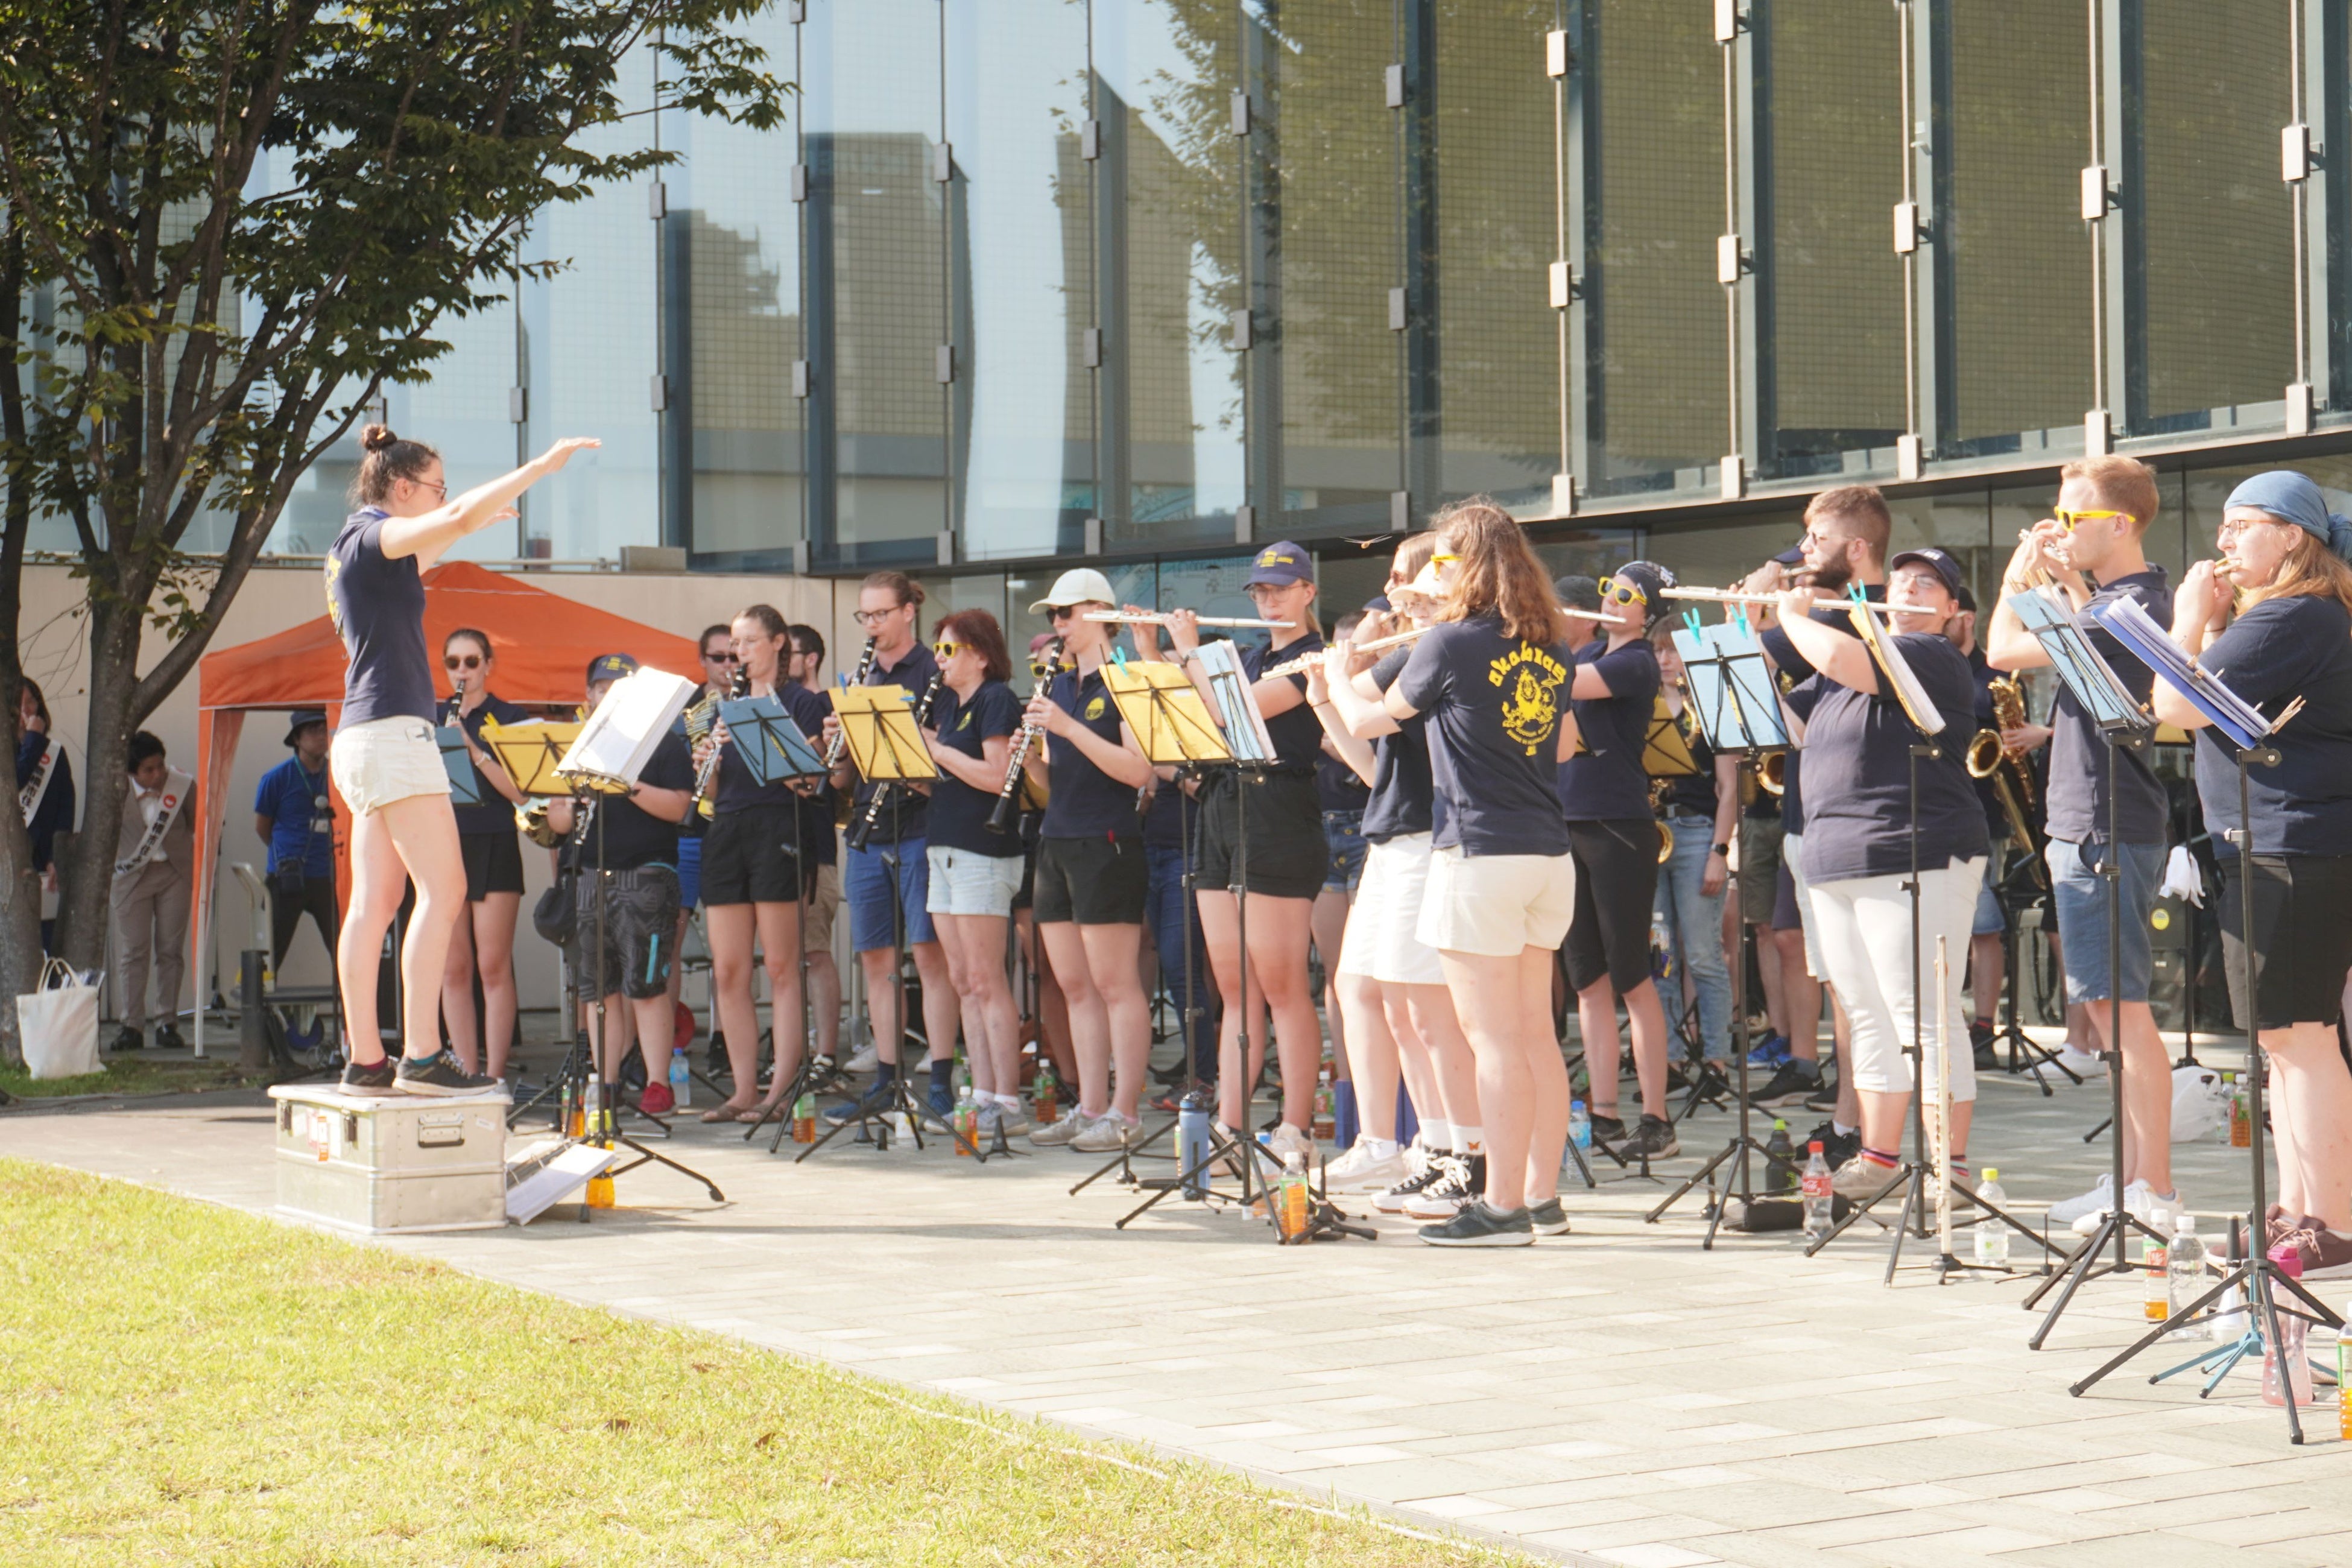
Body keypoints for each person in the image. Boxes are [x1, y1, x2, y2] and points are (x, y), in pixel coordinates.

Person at [325, 423, 595, 1094]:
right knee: (443, 892)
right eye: (436, 485)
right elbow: (454, 517)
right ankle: (420, 1054)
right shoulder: (372, 534)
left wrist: (463, 523)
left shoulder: (352, 549)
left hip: (362, 738)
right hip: (392, 734)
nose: (442, 496)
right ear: (402, 486)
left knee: (375, 903)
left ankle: (366, 1058)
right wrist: (540, 466)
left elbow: (439, 539)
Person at [2154, 470, 2352, 1274]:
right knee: (2288, 1040)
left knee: (2299, 1039)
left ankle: (2329, 1223)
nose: (2225, 541)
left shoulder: (2294, 613)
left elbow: (2175, 707)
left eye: (2243, 525)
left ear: (2294, 536)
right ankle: (2303, 1210)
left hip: (2293, 846)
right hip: (2282, 843)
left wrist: (2184, 619)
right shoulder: (2305, 615)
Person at [1987, 455, 2183, 1234]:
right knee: (2107, 1011)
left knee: (2123, 1013)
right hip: (2089, 819)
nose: (2058, 531)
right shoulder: (2100, 600)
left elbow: (2002, 648)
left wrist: (2019, 571)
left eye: (2073, 519)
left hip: (2106, 824)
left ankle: (2157, 1191)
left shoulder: (2129, 603)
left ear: (2120, 524)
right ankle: (2133, 1180)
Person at [1379, 501, 1579, 1245]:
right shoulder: (1552, 644)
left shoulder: (1450, 643)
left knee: (1492, 1038)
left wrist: (1338, 672)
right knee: (1533, 1036)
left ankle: (1500, 1207)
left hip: (1479, 854)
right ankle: (1542, 1196)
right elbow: (1559, 745)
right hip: (1545, 853)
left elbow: (1374, 719)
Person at [1770, 545, 1988, 1201]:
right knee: (1866, 1013)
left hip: (1914, 848)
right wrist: (1750, 646)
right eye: (1900, 581)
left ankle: (1949, 1169)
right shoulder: (1842, 667)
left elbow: (1837, 654)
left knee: (1925, 1014)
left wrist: (1786, 610)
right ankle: (1880, 1156)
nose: (1910, 589)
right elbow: (1786, 724)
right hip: (1833, 855)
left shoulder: (1930, 655)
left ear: (1952, 611)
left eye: (1928, 584)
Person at [1139, 543, 1329, 1164]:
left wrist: (1190, 648)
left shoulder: (1311, 658)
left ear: (1307, 591)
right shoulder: (1250, 655)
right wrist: (1149, 652)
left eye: (1280, 589)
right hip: (1222, 806)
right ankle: (1227, 1122)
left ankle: (1295, 1126)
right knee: (1233, 988)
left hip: (1279, 813)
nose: (1268, 600)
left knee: (1282, 985)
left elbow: (1234, 711)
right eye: (1260, 592)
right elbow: (1192, 721)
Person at [1317, 538, 1490, 1218]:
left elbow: (1359, 690)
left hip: (1430, 839)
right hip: (1391, 835)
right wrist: (1323, 698)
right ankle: (1433, 1146)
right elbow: (1370, 765)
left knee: (1429, 1008)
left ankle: (1465, 1155)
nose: (1390, 594)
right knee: (1396, 1004)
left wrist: (1345, 665)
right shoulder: (1410, 650)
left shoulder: (1433, 648)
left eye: (1402, 581)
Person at [1745, 495, 1895, 1155]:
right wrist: (1747, 631)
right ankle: (1847, 1121)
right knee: (1845, 988)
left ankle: (1867, 1131)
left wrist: (1767, 616)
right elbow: (1786, 716)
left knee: (1868, 994)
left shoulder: (1869, 616)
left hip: (1869, 824)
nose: (1805, 548)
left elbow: (1801, 663)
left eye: (1818, 536)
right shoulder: (1825, 612)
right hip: (1819, 816)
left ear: (1857, 547)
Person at [1019, 571, 1155, 1152]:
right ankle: (1091, 1104)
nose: (1059, 625)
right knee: (1074, 985)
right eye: (1054, 616)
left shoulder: (1125, 680)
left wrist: (1068, 727)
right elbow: (1059, 782)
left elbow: (1138, 771)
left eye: (1068, 613)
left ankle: (1125, 1112)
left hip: (1107, 841)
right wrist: (1028, 760)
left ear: (1100, 613)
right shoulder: (1063, 685)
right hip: (1058, 839)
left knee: (1115, 983)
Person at [823, 573, 959, 1123]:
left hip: (923, 824)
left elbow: (947, 756)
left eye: (881, 615)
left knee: (929, 956)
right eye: (865, 617)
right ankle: (885, 1077)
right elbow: (839, 780)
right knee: (876, 959)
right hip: (867, 829)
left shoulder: (935, 672)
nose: (872, 627)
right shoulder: (860, 678)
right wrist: (838, 741)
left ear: (908, 612)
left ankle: (943, 1079)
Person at [1559, 560, 1678, 1159]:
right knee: (1588, 977)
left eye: (1624, 594)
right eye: (1608, 588)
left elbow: (1574, 688)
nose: (1610, 599)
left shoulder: (1633, 661)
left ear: (1646, 610)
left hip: (1618, 824)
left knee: (1632, 975)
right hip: (1568, 821)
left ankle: (1655, 1117)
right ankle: (1603, 1110)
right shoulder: (1585, 655)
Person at [697, 607, 829, 1123]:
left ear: (778, 645)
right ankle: (743, 1090)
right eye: (736, 643)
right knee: (728, 971)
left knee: (780, 967)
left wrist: (779, 747)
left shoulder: (801, 702)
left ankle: (781, 1090)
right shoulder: (719, 706)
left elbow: (809, 784)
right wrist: (707, 756)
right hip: (727, 829)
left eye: (750, 642)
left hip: (780, 827)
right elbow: (708, 790)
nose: (740, 653)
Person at [545, 654, 695, 1101]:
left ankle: (657, 1083)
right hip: (591, 874)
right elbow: (556, 823)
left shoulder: (664, 744)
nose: (607, 694)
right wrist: (568, 808)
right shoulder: (575, 746)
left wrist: (626, 780)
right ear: (588, 694)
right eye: (600, 686)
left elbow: (678, 808)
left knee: (646, 986)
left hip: (647, 875)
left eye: (618, 687)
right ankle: (605, 1082)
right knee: (597, 988)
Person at [917, 609, 1029, 1142]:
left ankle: (1006, 1097)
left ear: (980, 655)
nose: (939, 660)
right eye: (937, 650)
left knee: (987, 978)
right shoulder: (947, 703)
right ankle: (980, 1090)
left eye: (949, 650)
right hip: (944, 848)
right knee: (962, 979)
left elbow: (997, 775)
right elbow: (948, 782)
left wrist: (935, 748)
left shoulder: (995, 699)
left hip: (983, 851)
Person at [436, 628, 530, 1081]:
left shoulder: (509, 718)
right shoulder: (430, 718)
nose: (462, 672)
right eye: (453, 663)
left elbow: (519, 792)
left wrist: (471, 749)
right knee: (453, 967)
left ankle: (493, 1075)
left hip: (494, 837)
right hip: (446, 842)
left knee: (493, 965)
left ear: (488, 665)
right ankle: (464, 1069)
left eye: (471, 662)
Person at [1652, 634, 1740, 1080]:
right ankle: (1667, 1058)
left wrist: (1719, 852)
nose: (1665, 659)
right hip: (1652, 833)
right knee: (1660, 956)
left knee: (1704, 954)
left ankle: (1716, 1059)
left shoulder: (1712, 704)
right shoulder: (1641, 704)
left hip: (1696, 833)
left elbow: (1729, 790)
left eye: (1673, 650)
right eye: (1658, 650)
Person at [665, 623, 735, 1052]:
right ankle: (669, 1040)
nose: (727, 666)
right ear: (703, 660)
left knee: (728, 946)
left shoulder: (753, 702)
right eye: (718, 658)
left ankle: (725, 1039)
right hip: (690, 832)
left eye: (733, 657)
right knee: (673, 935)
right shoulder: (685, 707)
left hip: (733, 829)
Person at [1312, 609, 1372, 1101]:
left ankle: (1394, 1101)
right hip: (1323, 827)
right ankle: (1349, 1087)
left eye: (1355, 647)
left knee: (1372, 973)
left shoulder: (1382, 687)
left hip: (1370, 830)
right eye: (1340, 646)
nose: (1346, 656)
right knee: (1337, 974)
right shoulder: (1326, 688)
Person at [109, 730, 194, 1052]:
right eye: (149, 769)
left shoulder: (181, 786)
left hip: (174, 873)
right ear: (132, 771)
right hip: (131, 877)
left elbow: (196, 823)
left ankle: (167, 1022)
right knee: (134, 952)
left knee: (170, 950)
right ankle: (131, 1025)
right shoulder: (116, 790)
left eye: (161, 765)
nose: (158, 774)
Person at [785, 623, 846, 1073]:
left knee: (815, 949)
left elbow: (836, 780)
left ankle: (826, 1050)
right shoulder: (774, 704)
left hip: (816, 842)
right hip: (777, 841)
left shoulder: (825, 706)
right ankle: (796, 1048)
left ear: (811, 659)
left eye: (792, 651)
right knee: (786, 955)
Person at [253, 710, 339, 973]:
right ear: (297, 739)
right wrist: (285, 851)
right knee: (268, 953)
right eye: (311, 730)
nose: (320, 736)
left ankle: (355, 1012)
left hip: (328, 875)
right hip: (287, 876)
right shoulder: (276, 778)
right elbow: (262, 827)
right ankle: (258, 1008)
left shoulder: (339, 775)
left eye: (324, 729)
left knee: (344, 949)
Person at [16, 677, 75, 950]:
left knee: (48, 941)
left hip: (44, 859)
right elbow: (17, 778)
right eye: (19, 704)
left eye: (31, 701)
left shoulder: (55, 752)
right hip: (13, 859)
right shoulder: (10, 753)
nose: (26, 710)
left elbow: (66, 804)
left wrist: (56, 857)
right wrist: (32, 740)